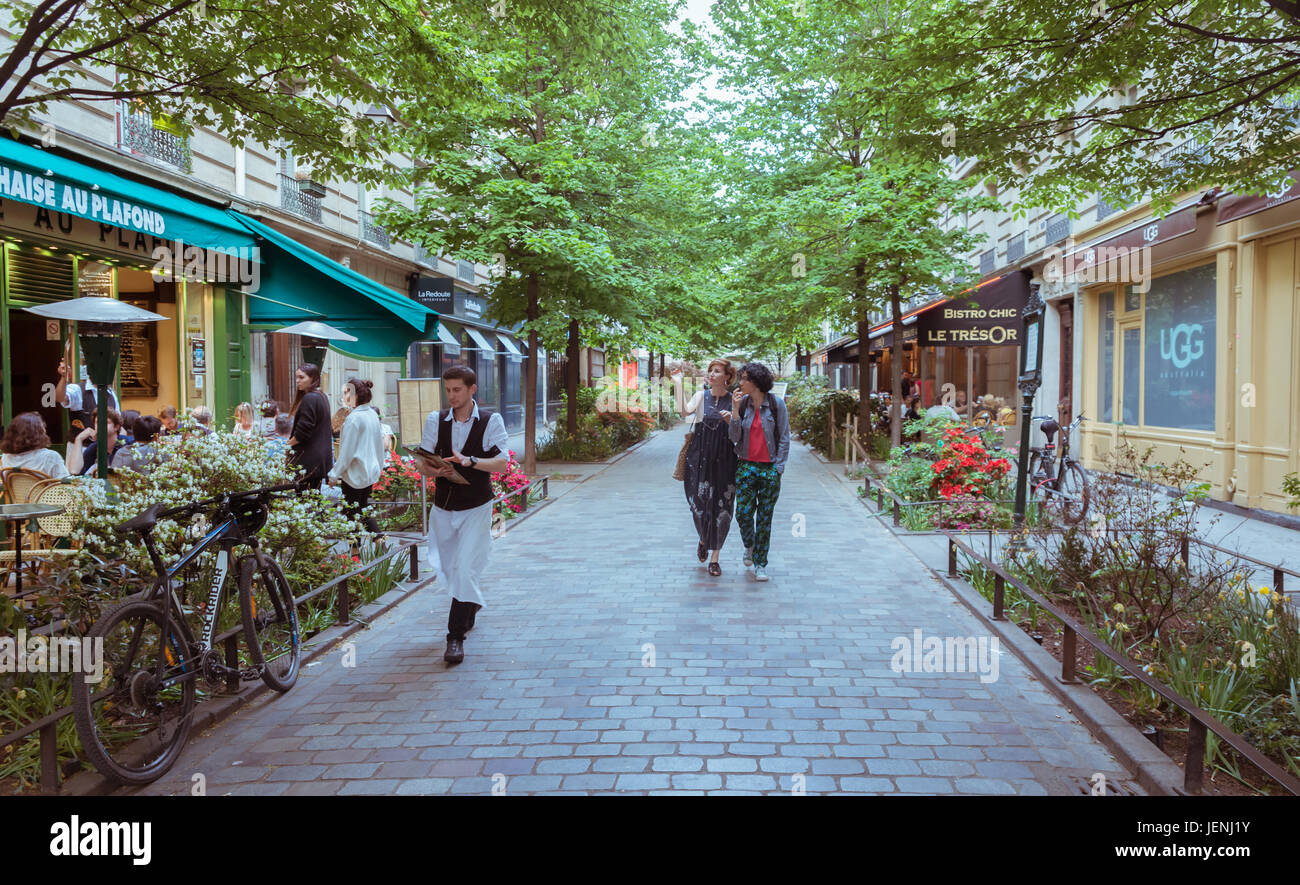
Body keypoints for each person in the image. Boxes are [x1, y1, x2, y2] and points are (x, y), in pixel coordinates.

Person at [415, 365, 510, 665]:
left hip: (477, 505)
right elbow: (421, 463)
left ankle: (454, 637)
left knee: (466, 565)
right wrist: (435, 468)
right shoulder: (436, 420)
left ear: (472, 390)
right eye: (448, 390)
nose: (452, 395)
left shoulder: (490, 420)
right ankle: (469, 605)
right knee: (449, 565)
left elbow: (501, 463)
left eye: (457, 390)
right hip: (443, 506)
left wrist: (470, 461)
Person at [724, 362, 790, 582]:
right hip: (745, 466)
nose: (739, 383)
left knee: (764, 518)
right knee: (743, 513)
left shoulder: (776, 405)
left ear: (756, 382)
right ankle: (750, 545)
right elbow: (734, 438)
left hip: (769, 468)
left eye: (743, 379)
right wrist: (734, 411)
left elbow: (784, 438)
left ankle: (761, 563)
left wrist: (778, 468)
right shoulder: (742, 405)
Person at [676, 359, 738, 576]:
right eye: (710, 370)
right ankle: (703, 536)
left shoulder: (735, 400)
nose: (711, 374)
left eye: (717, 371)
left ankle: (715, 557)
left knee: (722, 507)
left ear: (728, 377)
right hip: (699, 457)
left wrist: (732, 420)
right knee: (698, 504)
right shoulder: (701, 397)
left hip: (725, 459)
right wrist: (677, 382)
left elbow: (740, 432)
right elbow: (684, 412)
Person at [328, 378, 385, 535]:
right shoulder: (372, 414)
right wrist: (379, 467)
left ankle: (354, 554)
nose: (344, 396)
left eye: (346, 392)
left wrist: (334, 474)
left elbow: (347, 452)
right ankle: (379, 540)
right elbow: (379, 445)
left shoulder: (353, 419)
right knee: (362, 507)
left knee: (351, 512)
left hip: (354, 473)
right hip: (369, 472)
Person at [286, 363, 333, 489]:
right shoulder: (322, 396)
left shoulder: (310, 398)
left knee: (305, 500)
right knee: (313, 500)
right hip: (318, 460)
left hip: (307, 461)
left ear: (313, 378)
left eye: (301, 377)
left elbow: (302, 433)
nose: (297, 381)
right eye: (296, 377)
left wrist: (286, 446)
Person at [55, 347, 119, 436]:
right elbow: (59, 398)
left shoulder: (111, 394)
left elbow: (118, 422)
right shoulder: (77, 389)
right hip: (81, 447)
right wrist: (64, 378)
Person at [1, 412, 70, 479]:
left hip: (14, 491)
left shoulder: (6, 457)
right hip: (43, 491)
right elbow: (65, 483)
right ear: (39, 433)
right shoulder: (50, 457)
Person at [65, 409, 124, 476]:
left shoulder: (127, 445)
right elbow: (74, 471)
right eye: (97, 422)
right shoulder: (94, 447)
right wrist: (79, 439)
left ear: (116, 427)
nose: (100, 425)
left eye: (106, 422)